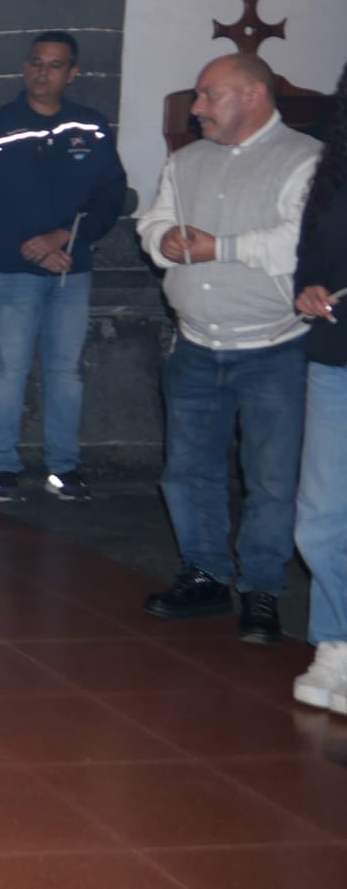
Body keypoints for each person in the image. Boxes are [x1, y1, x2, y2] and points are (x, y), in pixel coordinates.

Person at [136, 53, 317, 645]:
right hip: (194, 345)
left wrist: (223, 248)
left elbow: (303, 245)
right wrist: (163, 237)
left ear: (254, 95)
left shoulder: (307, 160)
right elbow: (152, 222)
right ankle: (206, 573)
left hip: (275, 349)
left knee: (270, 478)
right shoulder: (185, 161)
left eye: (209, 95)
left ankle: (261, 589)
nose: (196, 108)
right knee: (187, 471)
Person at [0, 31, 126, 504]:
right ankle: (2, 466)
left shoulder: (91, 127)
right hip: (9, 268)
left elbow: (110, 194)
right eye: (36, 62)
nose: (43, 72)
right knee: (10, 368)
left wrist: (65, 238)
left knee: (65, 371)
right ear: (24, 67)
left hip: (70, 268)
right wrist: (27, 245)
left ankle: (63, 466)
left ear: (72, 74)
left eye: (55, 65)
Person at [291, 102, 347, 713]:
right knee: (320, 520)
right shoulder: (332, 171)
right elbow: (314, 259)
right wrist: (307, 288)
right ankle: (337, 640)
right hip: (336, 357)